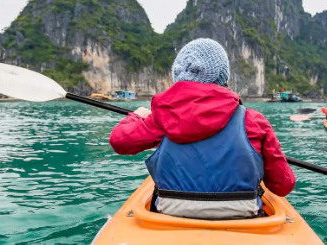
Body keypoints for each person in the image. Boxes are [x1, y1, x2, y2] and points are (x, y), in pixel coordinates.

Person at [109, 38, 296, 220]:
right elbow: (283, 186)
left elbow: (119, 141)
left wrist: (138, 115)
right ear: (223, 76)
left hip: (170, 216)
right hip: (243, 217)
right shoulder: (254, 121)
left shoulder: (160, 118)